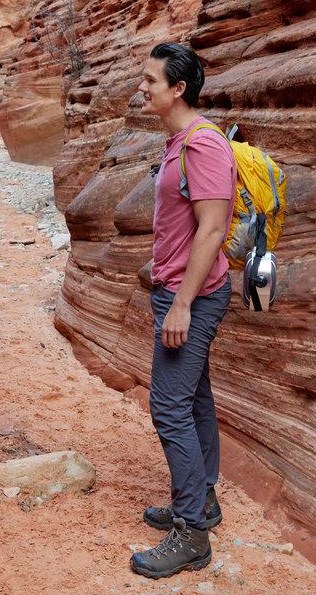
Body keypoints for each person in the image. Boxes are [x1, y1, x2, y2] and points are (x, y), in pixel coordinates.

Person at [130, 43, 236, 579]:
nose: (142, 86)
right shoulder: (178, 140)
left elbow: (213, 229)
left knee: (169, 406)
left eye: (151, 80)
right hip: (176, 288)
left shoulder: (204, 144)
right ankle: (203, 502)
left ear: (179, 89)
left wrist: (183, 304)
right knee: (193, 399)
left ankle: (192, 533)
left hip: (190, 297)